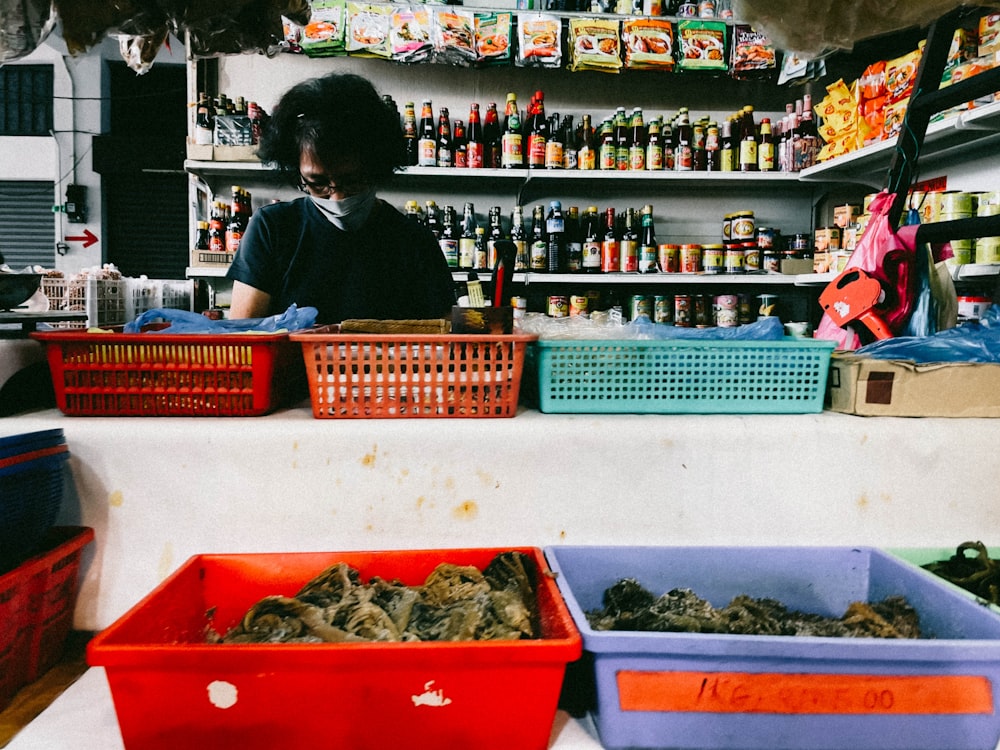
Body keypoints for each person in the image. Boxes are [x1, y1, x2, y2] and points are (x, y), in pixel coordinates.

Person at [227, 73, 455, 322]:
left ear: (375, 167)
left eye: (353, 180)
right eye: (318, 183)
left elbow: (442, 337)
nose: (337, 196)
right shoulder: (272, 229)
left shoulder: (414, 242)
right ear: (297, 172)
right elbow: (243, 338)